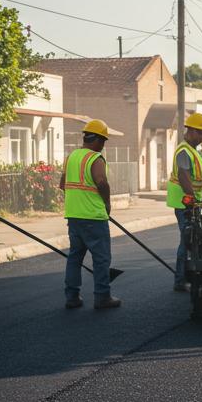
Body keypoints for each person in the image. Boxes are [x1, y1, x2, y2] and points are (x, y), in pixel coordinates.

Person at [60, 119, 120, 310]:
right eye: (103, 141)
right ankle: (102, 297)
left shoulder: (71, 157)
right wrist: (107, 203)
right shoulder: (95, 158)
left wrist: (77, 201)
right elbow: (101, 182)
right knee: (101, 259)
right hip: (93, 217)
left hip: (73, 216)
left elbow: (62, 184)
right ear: (98, 140)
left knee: (75, 258)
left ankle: (72, 297)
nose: (103, 146)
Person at [168, 111, 202, 292]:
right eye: (200, 132)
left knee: (196, 239)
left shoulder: (194, 151)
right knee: (187, 240)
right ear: (190, 130)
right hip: (185, 203)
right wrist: (193, 202)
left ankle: (193, 276)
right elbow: (184, 177)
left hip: (195, 202)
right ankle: (180, 281)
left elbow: (200, 179)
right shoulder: (184, 151)